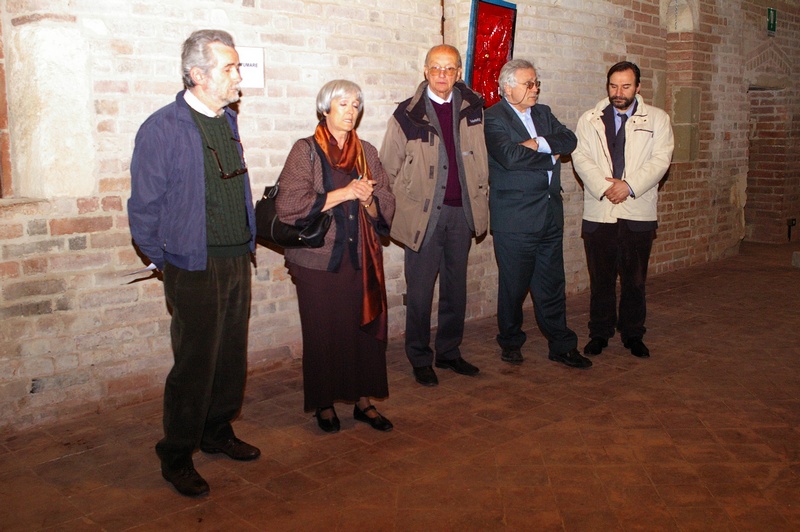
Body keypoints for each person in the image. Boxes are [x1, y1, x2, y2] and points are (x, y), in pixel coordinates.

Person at [128, 29, 260, 497]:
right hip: (192, 263)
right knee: (195, 362)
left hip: (234, 256)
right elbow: (143, 210)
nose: (238, 77)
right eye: (230, 68)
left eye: (238, 66)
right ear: (198, 75)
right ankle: (177, 452)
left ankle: (217, 430)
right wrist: (168, 260)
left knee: (229, 355)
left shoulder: (226, 121)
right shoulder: (161, 128)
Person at [276, 80, 395, 434]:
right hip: (317, 261)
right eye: (343, 104)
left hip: (361, 257)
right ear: (324, 109)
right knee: (323, 333)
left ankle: (363, 401)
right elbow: (288, 206)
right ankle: (324, 404)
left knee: (363, 329)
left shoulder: (368, 152)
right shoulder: (306, 151)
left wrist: (369, 200)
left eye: (356, 105)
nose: (351, 111)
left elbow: (387, 201)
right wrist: (344, 192)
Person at [380, 44, 489, 387]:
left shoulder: (474, 109)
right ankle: (419, 355)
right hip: (424, 219)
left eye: (450, 68)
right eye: (436, 68)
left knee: (456, 288)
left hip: (462, 213)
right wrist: (396, 214)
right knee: (421, 291)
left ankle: (449, 352)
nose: (443, 75)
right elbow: (387, 170)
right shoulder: (407, 115)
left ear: (459, 73)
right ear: (425, 71)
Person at [484, 59, 591, 369]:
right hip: (514, 219)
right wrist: (550, 155)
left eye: (536, 83)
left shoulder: (542, 113)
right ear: (507, 87)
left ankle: (561, 345)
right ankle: (511, 340)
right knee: (514, 285)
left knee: (552, 284)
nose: (535, 88)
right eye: (528, 84)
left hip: (548, 214)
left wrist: (539, 143)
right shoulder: (493, 117)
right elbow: (508, 156)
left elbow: (569, 140)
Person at [572, 61, 674, 358]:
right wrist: (606, 187)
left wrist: (628, 186)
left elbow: (660, 160)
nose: (619, 92)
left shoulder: (657, 119)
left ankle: (633, 334)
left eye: (626, 86)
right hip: (600, 211)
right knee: (600, 279)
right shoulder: (589, 119)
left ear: (638, 87)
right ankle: (599, 333)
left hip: (637, 212)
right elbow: (581, 157)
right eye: (613, 86)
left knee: (634, 280)